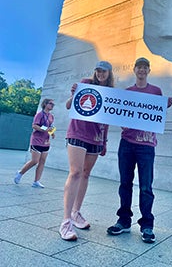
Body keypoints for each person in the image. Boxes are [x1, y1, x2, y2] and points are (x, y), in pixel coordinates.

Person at [107, 57, 172, 243]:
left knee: (146, 187)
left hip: (147, 145)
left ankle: (147, 225)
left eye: (145, 68)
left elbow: (157, 116)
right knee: (125, 184)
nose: (142, 70)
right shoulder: (128, 92)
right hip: (127, 143)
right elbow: (120, 117)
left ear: (148, 71)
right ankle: (124, 221)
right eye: (139, 67)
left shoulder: (156, 91)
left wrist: (164, 106)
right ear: (134, 70)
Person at [59, 60, 114, 241]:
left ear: (109, 73)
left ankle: (76, 212)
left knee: (85, 174)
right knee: (75, 172)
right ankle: (66, 221)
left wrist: (104, 141)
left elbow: (106, 118)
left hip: (96, 137)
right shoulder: (85, 83)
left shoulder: (111, 92)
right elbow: (69, 105)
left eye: (104, 71)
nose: (100, 74)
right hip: (77, 132)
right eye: (98, 70)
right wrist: (73, 95)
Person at [14, 98, 55, 188]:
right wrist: (45, 129)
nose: (52, 105)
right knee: (35, 161)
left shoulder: (51, 116)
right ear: (45, 104)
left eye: (53, 104)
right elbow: (34, 125)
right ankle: (20, 173)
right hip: (37, 140)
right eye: (51, 103)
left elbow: (50, 127)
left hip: (46, 142)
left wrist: (52, 133)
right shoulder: (39, 115)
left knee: (42, 161)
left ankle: (36, 181)